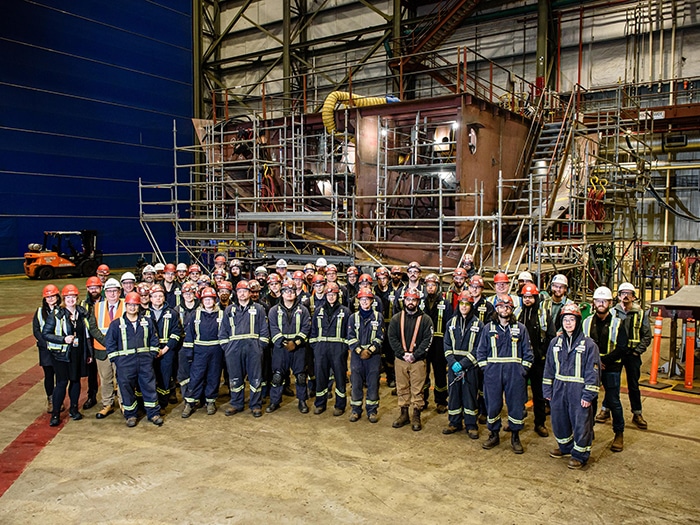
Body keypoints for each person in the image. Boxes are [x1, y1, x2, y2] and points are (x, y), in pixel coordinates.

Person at [544, 303, 601, 469]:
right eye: (565, 320)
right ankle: (565, 447)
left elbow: (593, 371)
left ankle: (580, 455)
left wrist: (588, 395)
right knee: (559, 420)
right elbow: (549, 368)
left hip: (578, 391)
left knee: (581, 423)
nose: (568, 323)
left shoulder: (589, 345)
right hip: (559, 389)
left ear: (578, 321)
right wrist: (547, 389)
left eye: (572, 319)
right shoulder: (555, 343)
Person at [476, 296, 533, 453]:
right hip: (493, 373)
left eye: (508, 307)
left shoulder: (520, 328)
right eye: (501, 307)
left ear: (512, 309)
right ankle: (493, 434)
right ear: (496, 309)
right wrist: (486, 370)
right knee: (493, 405)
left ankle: (515, 436)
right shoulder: (488, 328)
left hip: (514, 373)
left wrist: (523, 371)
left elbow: (528, 353)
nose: (505, 310)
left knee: (515, 405)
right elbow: (480, 352)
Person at [104, 291, 163, 427]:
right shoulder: (116, 324)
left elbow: (154, 340)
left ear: (139, 307)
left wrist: (151, 355)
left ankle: (153, 413)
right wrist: (117, 360)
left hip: (144, 362)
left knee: (149, 387)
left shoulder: (147, 322)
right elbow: (110, 344)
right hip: (125, 364)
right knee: (126, 388)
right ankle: (131, 415)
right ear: (126, 306)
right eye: (130, 305)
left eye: (135, 305)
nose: (132, 308)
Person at [584, 286, 628, 452]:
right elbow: (583, 344)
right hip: (591, 368)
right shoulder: (587, 321)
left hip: (611, 367)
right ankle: (588, 431)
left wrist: (603, 361)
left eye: (604, 301)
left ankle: (619, 433)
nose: (601, 303)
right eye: (598, 300)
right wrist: (595, 362)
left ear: (610, 303)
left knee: (614, 401)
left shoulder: (618, 323)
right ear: (594, 302)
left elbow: (622, 347)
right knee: (590, 401)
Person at [42, 284, 93, 426]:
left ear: (77, 297)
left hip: (78, 353)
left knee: (75, 381)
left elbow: (86, 335)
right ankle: (56, 414)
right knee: (61, 383)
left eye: (73, 296)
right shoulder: (56, 315)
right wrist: (63, 339)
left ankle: (74, 409)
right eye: (68, 297)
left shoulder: (82, 313)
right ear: (63, 298)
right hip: (62, 355)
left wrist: (88, 353)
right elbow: (46, 334)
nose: (71, 299)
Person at [603, 283, 652, 430]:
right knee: (612, 384)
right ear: (618, 296)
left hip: (632, 355)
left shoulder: (640, 313)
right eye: (622, 293)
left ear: (634, 296)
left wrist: (637, 351)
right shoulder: (611, 313)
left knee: (633, 385)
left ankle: (637, 413)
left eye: (629, 293)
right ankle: (606, 409)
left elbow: (647, 335)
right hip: (615, 355)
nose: (625, 296)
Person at [219, 280, 270, 418]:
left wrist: (260, 346)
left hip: (253, 349)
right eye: (240, 291)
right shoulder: (230, 310)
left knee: (255, 378)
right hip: (234, 350)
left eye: (245, 291)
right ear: (236, 293)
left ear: (249, 293)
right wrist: (227, 348)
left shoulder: (259, 309)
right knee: (235, 378)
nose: (242, 294)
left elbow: (264, 330)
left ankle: (256, 405)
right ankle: (236, 403)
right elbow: (223, 331)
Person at [388, 288, 434, 431]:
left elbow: (428, 340)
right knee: (402, 387)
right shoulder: (396, 318)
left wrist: (415, 355)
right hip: (401, 359)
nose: (410, 302)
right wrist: (402, 353)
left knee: (417, 389)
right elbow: (392, 338)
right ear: (404, 300)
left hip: (418, 360)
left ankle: (416, 415)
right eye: (408, 299)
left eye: (413, 300)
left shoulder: (426, 320)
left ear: (418, 302)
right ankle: (404, 414)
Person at [443, 291, 483, 439]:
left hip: (470, 368)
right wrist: (453, 363)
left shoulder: (479, 324)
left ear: (471, 305)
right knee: (454, 395)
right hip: (454, 367)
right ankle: (454, 422)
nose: (464, 307)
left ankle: (471, 425)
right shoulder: (450, 323)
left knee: (470, 396)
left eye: (467, 304)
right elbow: (446, 345)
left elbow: (479, 348)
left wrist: (464, 364)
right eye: (462, 304)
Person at [267, 279, 311, 413]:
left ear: (295, 293)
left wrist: (296, 343)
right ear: (281, 293)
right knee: (277, 376)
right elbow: (273, 329)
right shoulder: (274, 311)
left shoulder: (303, 310)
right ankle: (275, 401)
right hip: (281, 348)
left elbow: (306, 329)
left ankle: (302, 401)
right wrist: (285, 343)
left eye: (292, 291)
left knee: (301, 376)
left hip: (299, 349)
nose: (289, 294)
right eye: (286, 291)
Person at [517, 283, 556, 437]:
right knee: (517, 393)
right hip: (520, 360)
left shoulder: (543, 314)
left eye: (530, 297)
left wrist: (542, 354)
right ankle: (516, 420)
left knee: (538, 394)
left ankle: (539, 423)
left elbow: (551, 336)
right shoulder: (517, 312)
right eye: (525, 297)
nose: (527, 300)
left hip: (538, 362)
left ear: (536, 298)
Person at [181, 287, 224, 418]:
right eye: (206, 299)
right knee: (196, 377)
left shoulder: (221, 314)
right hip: (199, 351)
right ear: (201, 301)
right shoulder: (195, 314)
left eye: (211, 299)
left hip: (216, 351)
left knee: (213, 376)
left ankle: (210, 401)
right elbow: (190, 334)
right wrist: (189, 352)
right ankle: (190, 402)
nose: (208, 301)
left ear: (215, 300)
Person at [309, 282, 350, 416]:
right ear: (325, 295)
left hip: (338, 350)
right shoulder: (318, 311)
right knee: (321, 377)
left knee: (340, 378)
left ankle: (340, 405)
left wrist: (344, 348)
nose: (331, 297)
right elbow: (313, 332)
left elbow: (348, 333)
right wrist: (316, 347)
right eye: (329, 294)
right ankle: (320, 404)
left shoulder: (345, 311)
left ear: (338, 295)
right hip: (321, 350)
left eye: (333, 294)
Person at [88, 277, 124, 419]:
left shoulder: (127, 305)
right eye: (109, 291)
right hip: (102, 350)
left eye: (115, 291)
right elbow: (93, 327)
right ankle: (107, 404)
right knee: (106, 379)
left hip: (121, 350)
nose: (112, 294)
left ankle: (123, 403)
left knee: (122, 378)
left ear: (119, 292)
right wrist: (107, 343)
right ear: (105, 292)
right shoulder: (97, 307)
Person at [347, 288, 384, 423]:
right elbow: (350, 337)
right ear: (358, 301)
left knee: (373, 382)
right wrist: (359, 351)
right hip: (357, 357)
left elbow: (380, 337)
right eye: (362, 299)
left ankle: (372, 410)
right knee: (356, 383)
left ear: (371, 301)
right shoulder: (353, 318)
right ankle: (356, 410)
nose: (364, 302)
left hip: (373, 357)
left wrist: (370, 350)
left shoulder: (378, 317)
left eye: (367, 299)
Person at [148, 284, 184, 411]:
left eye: (160, 296)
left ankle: (162, 404)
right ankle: (150, 403)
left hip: (167, 351)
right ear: (150, 298)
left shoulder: (172, 313)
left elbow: (176, 333)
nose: (158, 298)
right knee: (150, 377)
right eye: (155, 296)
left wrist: (165, 349)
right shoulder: (144, 313)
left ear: (164, 297)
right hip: (149, 351)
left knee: (164, 377)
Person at [422, 273, 452, 413]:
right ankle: (423, 399)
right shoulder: (421, 302)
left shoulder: (445, 303)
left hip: (439, 343)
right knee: (423, 372)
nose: (430, 288)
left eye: (433, 285)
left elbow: (449, 324)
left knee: (440, 373)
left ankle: (441, 401)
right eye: (428, 285)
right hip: (423, 343)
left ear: (438, 286)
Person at [33, 284, 61, 414]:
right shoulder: (39, 312)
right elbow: (36, 330)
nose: (50, 298)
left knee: (60, 376)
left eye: (52, 296)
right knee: (49, 375)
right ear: (44, 298)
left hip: (60, 349)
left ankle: (58, 399)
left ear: (57, 296)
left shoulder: (63, 310)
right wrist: (46, 343)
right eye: (48, 296)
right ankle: (50, 400)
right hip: (46, 350)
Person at [80, 276, 102, 409]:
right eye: (91, 288)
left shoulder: (107, 301)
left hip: (106, 342)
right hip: (90, 343)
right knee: (92, 372)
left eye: (96, 287)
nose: (93, 290)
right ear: (88, 289)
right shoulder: (83, 305)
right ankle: (91, 396)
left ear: (101, 288)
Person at [373, 267, 396, 388]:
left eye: (384, 278)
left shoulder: (393, 292)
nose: (382, 281)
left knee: (390, 354)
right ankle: (373, 378)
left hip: (390, 326)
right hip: (375, 326)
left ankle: (391, 377)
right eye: (380, 279)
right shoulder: (373, 292)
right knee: (376, 353)